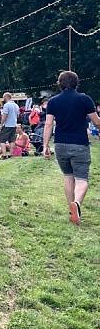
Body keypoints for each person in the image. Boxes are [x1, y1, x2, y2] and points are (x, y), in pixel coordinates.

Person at [42, 70, 100, 225]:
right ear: (76, 83)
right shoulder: (84, 99)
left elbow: (48, 124)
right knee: (81, 179)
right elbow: (96, 122)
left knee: (68, 176)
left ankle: (71, 209)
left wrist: (45, 145)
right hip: (79, 144)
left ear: (59, 84)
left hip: (60, 144)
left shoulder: (53, 101)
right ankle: (77, 204)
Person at [0, 92, 20, 159]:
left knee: (2, 140)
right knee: (12, 140)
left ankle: (4, 155)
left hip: (7, 125)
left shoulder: (6, 105)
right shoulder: (16, 105)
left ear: (6, 97)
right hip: (14, 124)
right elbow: (18, 115)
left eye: (3, 97)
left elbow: (5, 115)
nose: (3, 99)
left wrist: (1, 124)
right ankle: (11, 154)